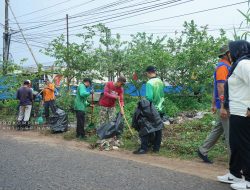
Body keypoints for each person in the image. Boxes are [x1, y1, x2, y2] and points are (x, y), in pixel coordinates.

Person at [217, 40, 250, 190]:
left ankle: (249, 180)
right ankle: (234, 173)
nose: (228, 54)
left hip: (245, 112)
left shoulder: (244, 64)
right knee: (236, 145)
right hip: (236, 111)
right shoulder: (237, 65)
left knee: (244, 146)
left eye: (230, 51)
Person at [197, 44, 232, 164]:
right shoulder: (223, 67)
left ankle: (203, 150)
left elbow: (215, 88)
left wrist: (214, 103)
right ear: (226, 54)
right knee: (230, 134)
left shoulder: (225, 66)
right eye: (231, 52)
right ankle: (235, 164)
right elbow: (220, 87)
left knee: (218, 128)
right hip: (224, 106)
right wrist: (223, 106)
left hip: (221, 105)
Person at [133, 66, 165, 154]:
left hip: (151, 108)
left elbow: (149, 98)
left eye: (146, 73)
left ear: (148, 72)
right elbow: (162, 94)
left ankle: (144, 148)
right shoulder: (160, 81)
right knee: (158, 127)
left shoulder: (149, 83)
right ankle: (156, 148)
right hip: (160, 107)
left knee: (145, 126)